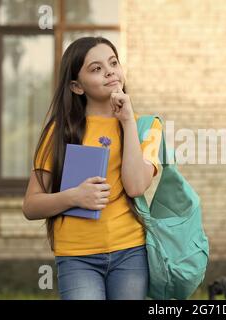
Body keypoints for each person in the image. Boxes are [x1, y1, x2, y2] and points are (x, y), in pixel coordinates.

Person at [22, 36, 162, 300]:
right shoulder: (60, 132)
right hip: (77, 256)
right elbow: (31, 206)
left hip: (130, 252)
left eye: (113, 63)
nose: (110, 71)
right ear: (76, 86)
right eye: (96, 68)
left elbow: (135, 186)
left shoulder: (148, 128)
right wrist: (74, 197)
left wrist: (127, 122)